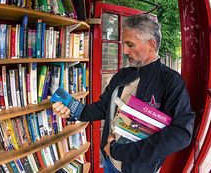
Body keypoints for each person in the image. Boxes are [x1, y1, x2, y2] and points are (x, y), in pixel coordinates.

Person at [52, 14, 195, 173]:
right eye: (124, 44)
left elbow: (181, 133)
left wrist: (118, 151)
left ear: (151, 44)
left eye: (130, 44)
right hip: (109, 160)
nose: (125, 50)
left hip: (137, 168)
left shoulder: (171, 81)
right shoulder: (123, 75)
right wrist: (73, 111)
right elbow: (103, 107)